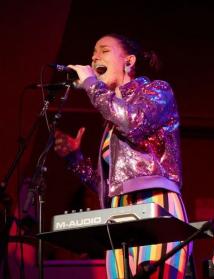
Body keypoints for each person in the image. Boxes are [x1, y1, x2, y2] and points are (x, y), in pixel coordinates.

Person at [54, 33, 189, 278]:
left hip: (153, 200)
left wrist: (92, 86)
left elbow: (134, 123)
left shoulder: (157, 91)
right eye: (93, 53)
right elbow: (106, 186)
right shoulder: (110, 123)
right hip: (118, 212)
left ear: (129, 61)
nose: (95, 57)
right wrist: (74, 158)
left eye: (104, 50)